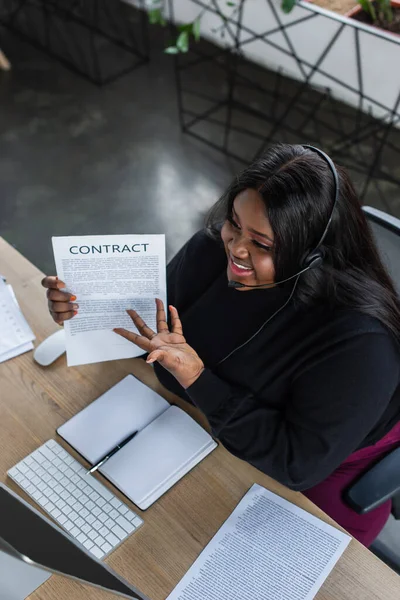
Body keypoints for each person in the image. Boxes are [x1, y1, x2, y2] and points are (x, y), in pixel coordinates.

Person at [42, 144, 400, 546]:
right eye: (234, 223)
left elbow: (294, 464)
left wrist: (197, 377)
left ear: (313, 256)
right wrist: (84, 309)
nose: (235, 249)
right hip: (203, 427)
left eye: (262, 245)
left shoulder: (363, 345)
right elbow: (155, 332)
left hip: (317, 476)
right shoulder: (213, 250)